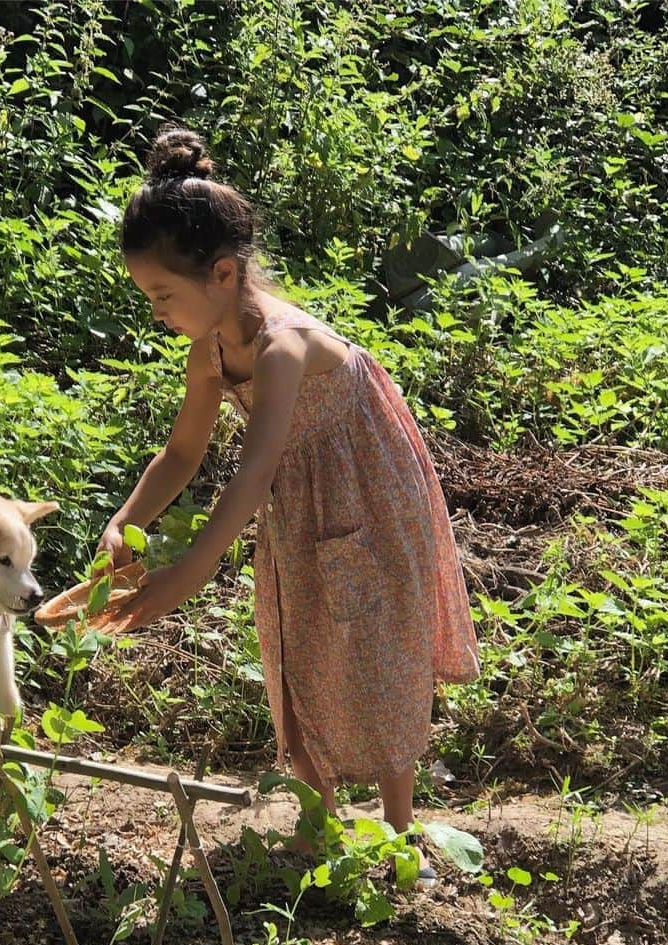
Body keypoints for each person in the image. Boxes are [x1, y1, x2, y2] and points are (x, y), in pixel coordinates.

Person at [98, 124, 480, 878]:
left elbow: (252, 470)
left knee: (373, 644)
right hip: (295, 496)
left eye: (163, 294)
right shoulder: (209, 351)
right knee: (295, 635)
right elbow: (183, 452)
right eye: (148, 296)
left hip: (368, 493)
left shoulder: (282, 346)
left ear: (222, 274)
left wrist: (184, 576)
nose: (157, 311)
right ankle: (318, 827)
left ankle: (400, 836)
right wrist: (126, 521)